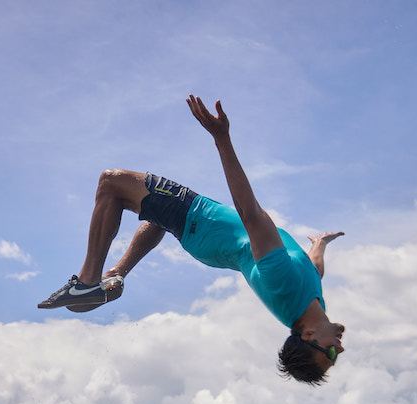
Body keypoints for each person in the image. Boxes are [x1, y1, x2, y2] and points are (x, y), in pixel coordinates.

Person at [38, 95, 346, 385]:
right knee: (157, 219)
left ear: (307, 336)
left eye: (329, 353)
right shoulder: (311, 305)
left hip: (202, 221)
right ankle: (116, 274)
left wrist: (221, 138)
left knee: (111, 183)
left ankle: (87, 282)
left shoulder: (284, 286)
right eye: (335, 355)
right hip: (206, 238)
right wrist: (320, 245)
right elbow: (313, 271)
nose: (339, 350)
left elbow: (251, 215)